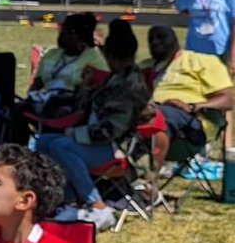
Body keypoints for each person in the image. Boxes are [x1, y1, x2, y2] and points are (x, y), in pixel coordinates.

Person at [36, 19, 149, 230]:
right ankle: (68, 202)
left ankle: (97, 206)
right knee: (44, 142)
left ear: (112, 56)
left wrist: (74, 134)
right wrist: (87, 88)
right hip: (98, 143)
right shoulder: (115, 78)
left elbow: (111, 130)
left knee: (61, 146)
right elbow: (88, 109)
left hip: (117, 150)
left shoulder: (128, 85)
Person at [145, 25, 233, 170]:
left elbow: (227, 99)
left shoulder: (202, 61)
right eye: (151, 40)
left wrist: (192, 106)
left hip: (190, 125)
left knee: (158, 114)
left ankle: (149, 182)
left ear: (174, 40)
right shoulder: (147, 67)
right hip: (150, 115)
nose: (155, 42)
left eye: (161, 38)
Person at [25, 13, 106, 119]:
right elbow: (37, 84)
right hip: (45, 101)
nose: (60, 36)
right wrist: (31, 98)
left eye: (64, 33)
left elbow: (98, 91)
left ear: (75, 35)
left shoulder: (94, 59)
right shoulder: (51, 55)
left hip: (73, 107)